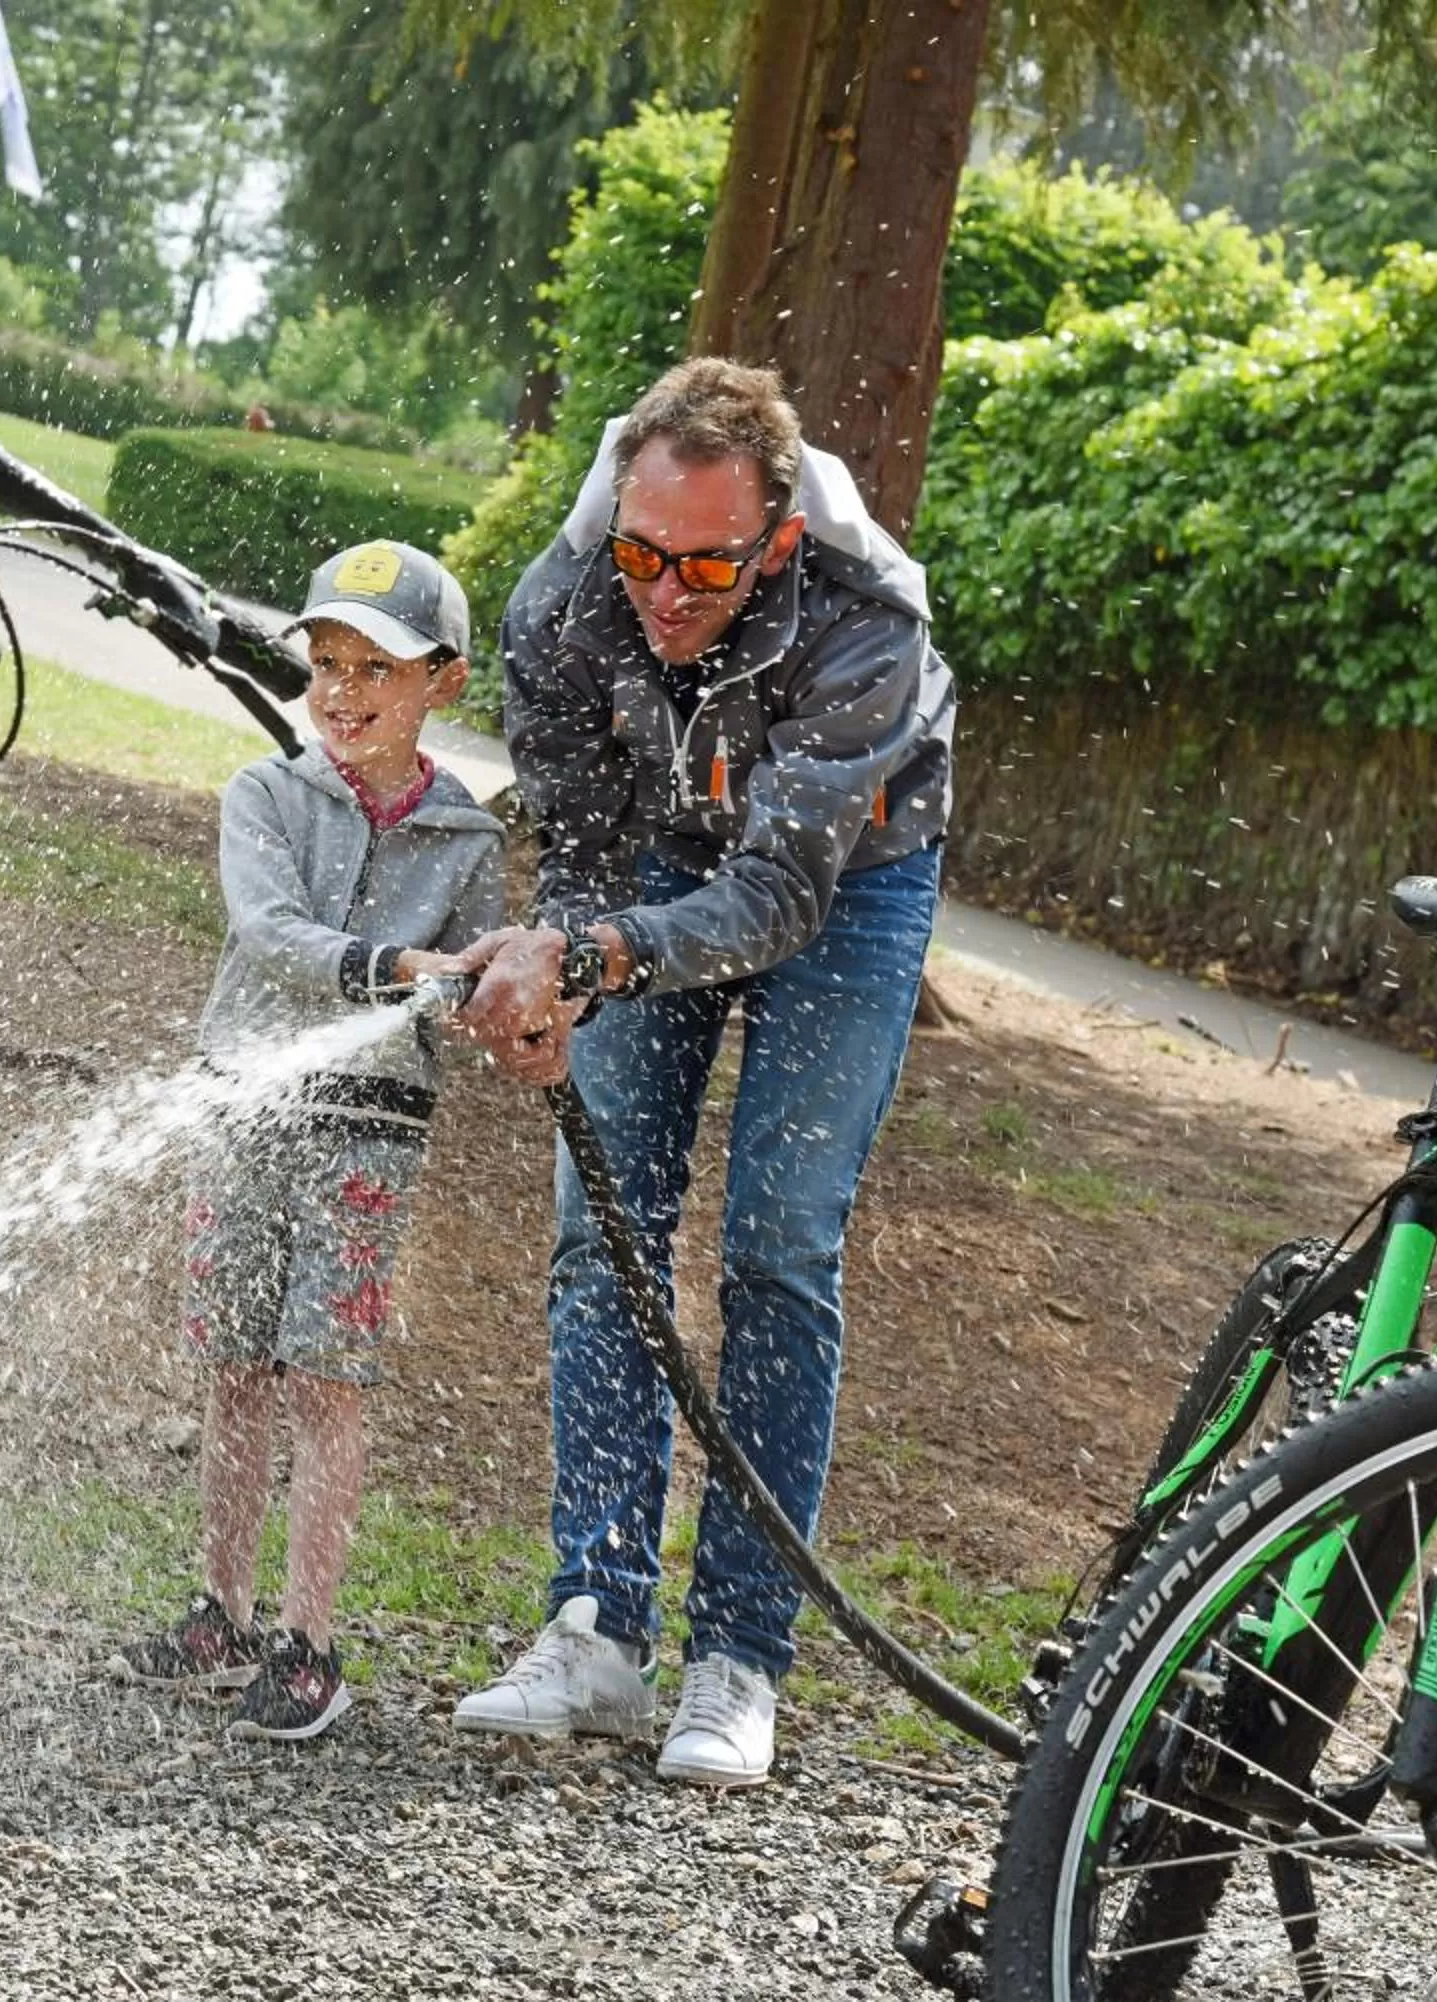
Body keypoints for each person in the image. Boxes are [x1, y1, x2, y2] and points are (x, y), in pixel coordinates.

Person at [448, 358, 955, 1787]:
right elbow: (589, 855)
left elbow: (777, 902)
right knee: (598, 1226)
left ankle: (740, 1656)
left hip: (849, 878)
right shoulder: (559, 607)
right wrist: (561, 960)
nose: (666, 592)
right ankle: (599, 1624)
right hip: (661, 851)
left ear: (777, 540)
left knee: (781, 1243)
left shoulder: (868, 627)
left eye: (706, 566)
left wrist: (592, 956)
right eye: (643, 555)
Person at [112, 540, 506, 1743]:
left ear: (442, 680)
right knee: (239, 1367)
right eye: (325, 664)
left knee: (327, 1380)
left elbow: (478, 986)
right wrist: (395, 967)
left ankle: (308, 1642)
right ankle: (220, 1610)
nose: (340, 693)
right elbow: (272, 933)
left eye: (373, 668)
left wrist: (500, 1003)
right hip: (245, 1112)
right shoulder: (265, 796)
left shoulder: (468, 843)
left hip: (366, 1136)